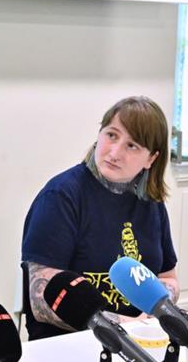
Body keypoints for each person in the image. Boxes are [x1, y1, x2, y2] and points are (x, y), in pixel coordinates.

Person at [21, 96, 179, 340]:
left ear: (151, 159)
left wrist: (156, 312)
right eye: (112, 135)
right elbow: (41, 299)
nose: (114, 153)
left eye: (132, 145)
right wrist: (122, 324)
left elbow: (167, 277)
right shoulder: (60, 197)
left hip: (141, 337)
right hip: (70, 342)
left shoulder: (151, 202)